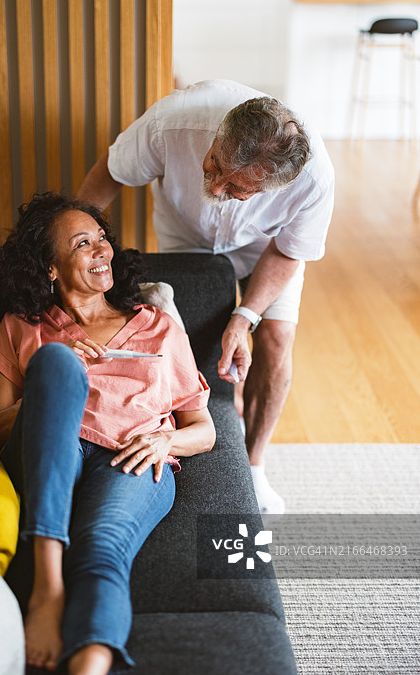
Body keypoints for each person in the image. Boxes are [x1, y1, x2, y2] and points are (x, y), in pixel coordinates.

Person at [0, 192, 215, 675]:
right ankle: (48, 588)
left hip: (128, 457)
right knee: (56, 363)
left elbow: (203, 426)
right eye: (80, 243)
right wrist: (47, 381)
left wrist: (166, 438)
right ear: (53, 268)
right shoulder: (24, 325)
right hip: (51, 451)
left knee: (104, 547)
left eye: (101, 238)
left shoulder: (156, 325)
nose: (100, 249)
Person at [76, 79, 335, 519]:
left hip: (265, 246)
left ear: (272, 186)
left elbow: (289, 251)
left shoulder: (314, 181)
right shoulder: (172, 122)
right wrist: (69, 246)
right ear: (218, 135)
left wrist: (246, 315)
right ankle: (202, 422)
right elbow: (111, 173)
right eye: (213, 166)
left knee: (275, 340)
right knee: (186, 335)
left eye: (237, 189)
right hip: (186, 233)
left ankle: (253, 465)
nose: (216, 190)